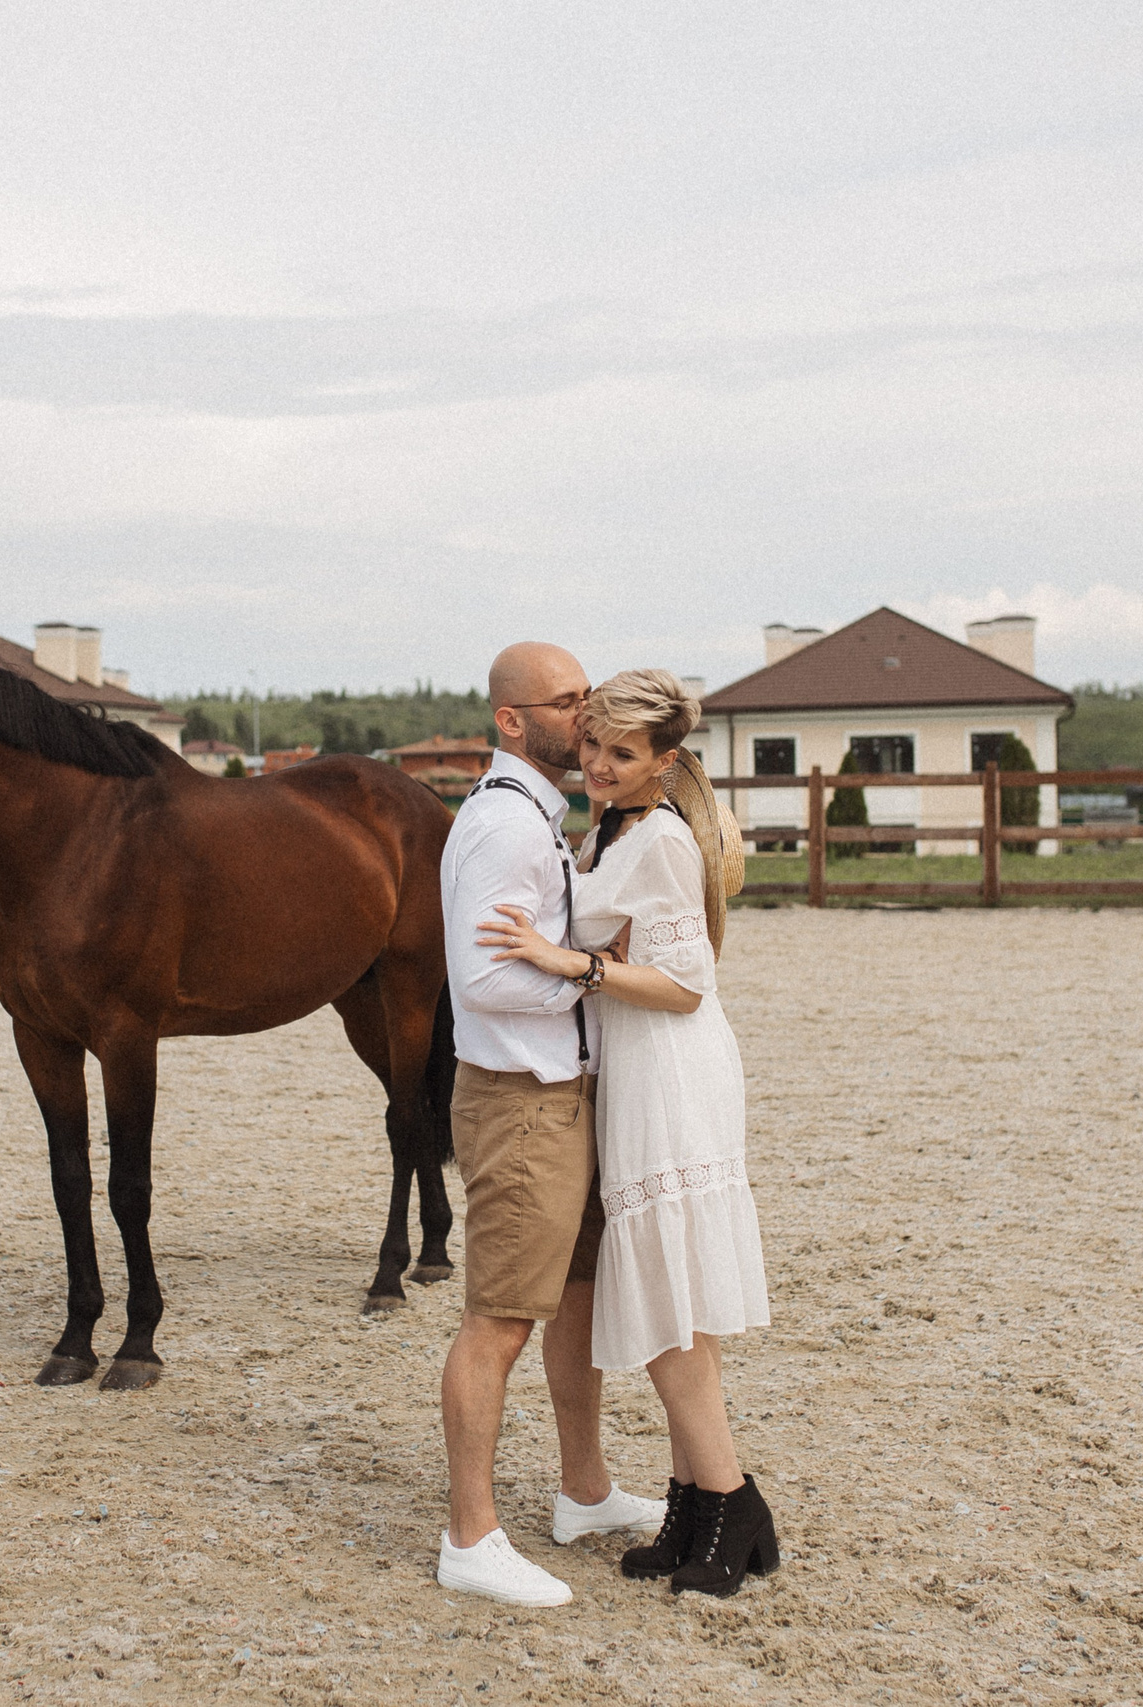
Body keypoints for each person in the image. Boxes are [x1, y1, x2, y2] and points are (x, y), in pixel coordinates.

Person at [478, 668, 775, 1597]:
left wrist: (570, 964)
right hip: (636, 1071)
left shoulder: (666, 842)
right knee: (665, 1294)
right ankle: (697, 1504)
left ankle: (730, 1499)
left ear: (665, 761)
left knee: (671, 1301)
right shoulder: (616, 827)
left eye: (623, 752)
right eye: (595, 745)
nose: (600, 764)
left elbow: (687, 986)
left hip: (673, 1074)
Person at [434, 642, 667, 1607]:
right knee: (499, 1319)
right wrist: (582, 973)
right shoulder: (503, 825)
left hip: (559, 1095)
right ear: (513, 721)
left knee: (573, 1298)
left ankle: (583, 1489)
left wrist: (573, 955)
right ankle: (470, 1533)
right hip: (519, 1103)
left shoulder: (545, 814)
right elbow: (480, 976)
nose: (586, 716)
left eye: (585, 697)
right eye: (567, 702)